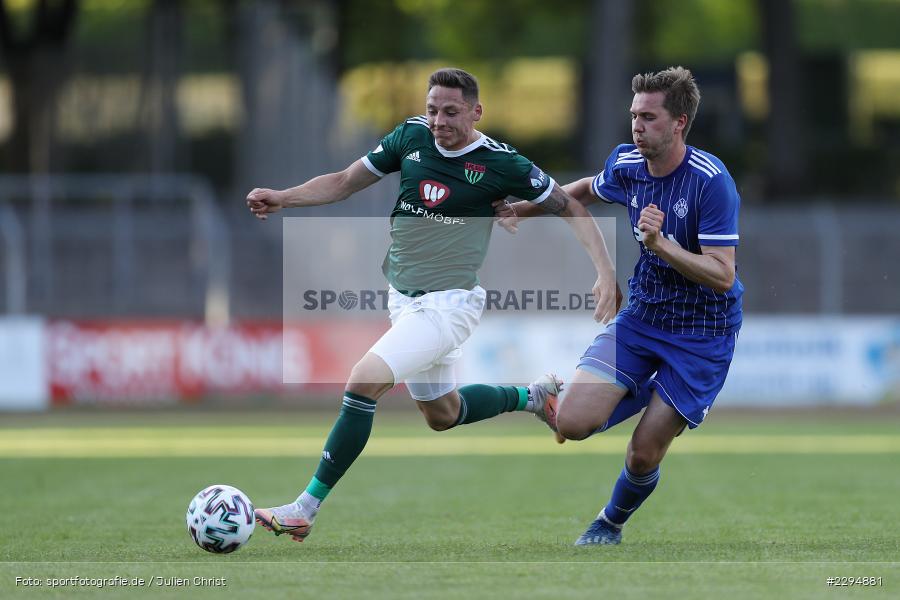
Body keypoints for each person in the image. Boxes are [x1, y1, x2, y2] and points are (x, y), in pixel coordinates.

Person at [245, 67, 619, 542]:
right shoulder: (410, 137)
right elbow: (342, 180)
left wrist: (605, 272)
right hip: (404, 302)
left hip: (448, 307)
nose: (438, 120)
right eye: (432, 109)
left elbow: (569, 206)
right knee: (443, 413)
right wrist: (284, 198)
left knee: (363, 382)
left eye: (450, 111)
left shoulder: (501, 163)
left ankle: (304, 508)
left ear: (476, 112)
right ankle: (534, 396)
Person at [501, 66, 743, 545]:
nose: (637, 125)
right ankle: (630, 392)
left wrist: (662, 244)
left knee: (643, 454)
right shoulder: (627, 163)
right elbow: (586, 190)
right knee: (569, 423)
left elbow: (723, 274)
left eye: (649, 117)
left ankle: (608, 523)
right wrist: (519, 210)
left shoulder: (710, 181)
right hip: (645, 317)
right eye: (634, 115)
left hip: (703, 334)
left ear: (679, 123)